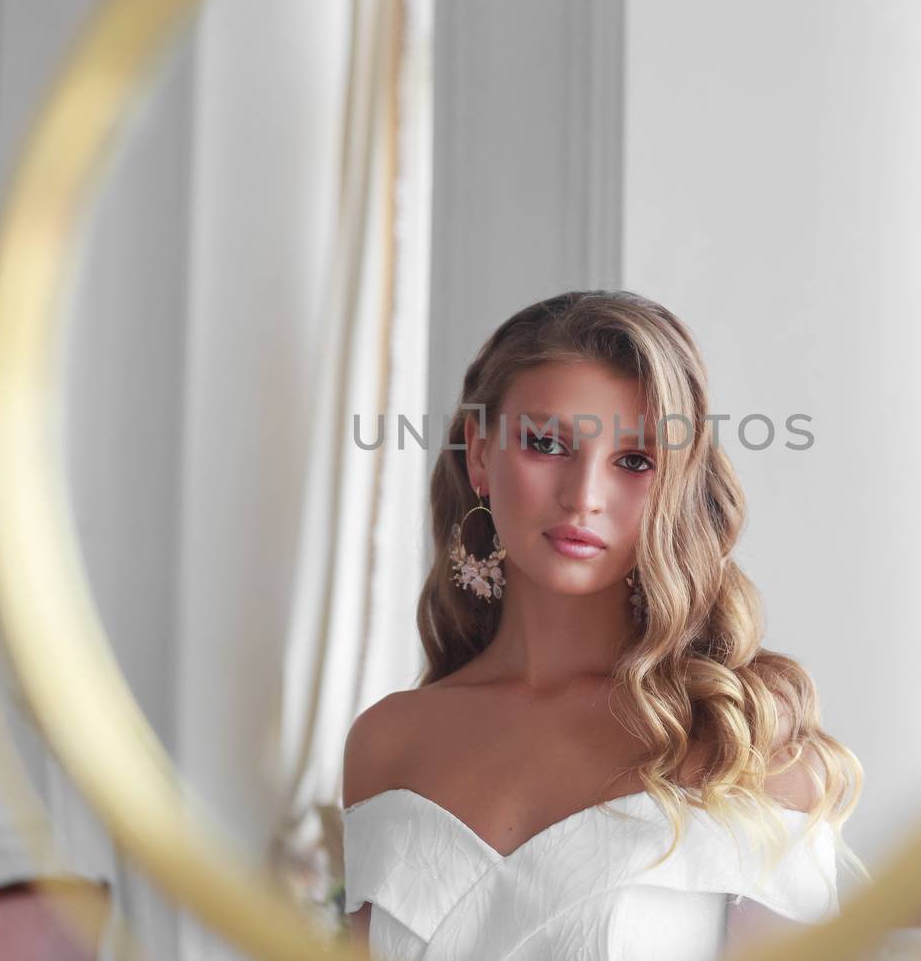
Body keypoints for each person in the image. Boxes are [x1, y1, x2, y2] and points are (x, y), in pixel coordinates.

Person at [340, 290, 867, 960]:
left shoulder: (746, 741)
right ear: (479, 453)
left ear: (675, 482)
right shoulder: (388, 743)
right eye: (547, 443)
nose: (584, 495)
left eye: (635, 461)